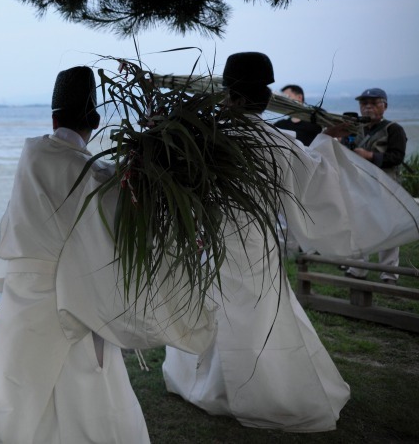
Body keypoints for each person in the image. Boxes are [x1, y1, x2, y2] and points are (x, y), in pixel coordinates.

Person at [0, 66, 217, 444]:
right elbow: (121, 227)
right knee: (84, 382)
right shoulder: (94, 174)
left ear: (53, 116)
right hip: (74, 299)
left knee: (16, 381)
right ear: (95, 120)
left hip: (25, 297)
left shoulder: (33, 158)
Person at [162, 52, 419, 432]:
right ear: (265, 100)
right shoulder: (274, 140)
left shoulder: (206, 138)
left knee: (218, 305)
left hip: (216, 238)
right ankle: (256, 385)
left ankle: (209, 384)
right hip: (257, 238)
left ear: (226, 96)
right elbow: (314, 178)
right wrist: (327, 142)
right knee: (259, 310)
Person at [341, 88, 408, 285]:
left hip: (386, 187)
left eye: (373, 102)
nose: (367, 106)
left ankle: (389, 275)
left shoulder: (394, 129)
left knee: (389, 231)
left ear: (384, 106)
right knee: (358, 227)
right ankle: (357, 269)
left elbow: (397, 157)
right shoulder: (354, 129)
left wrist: (370, 156)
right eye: (364, 103)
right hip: (359, 186)